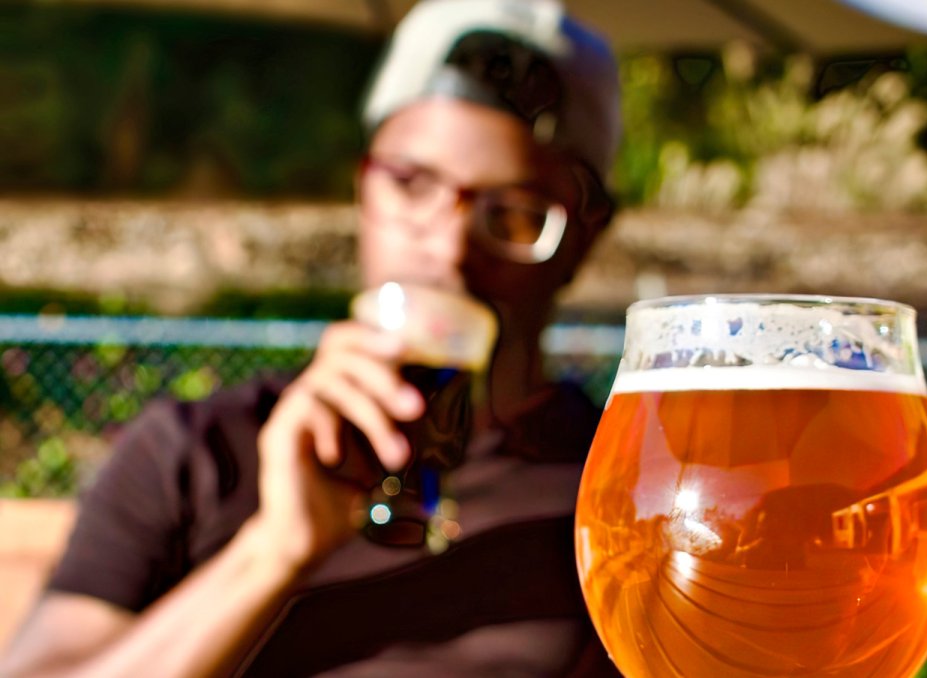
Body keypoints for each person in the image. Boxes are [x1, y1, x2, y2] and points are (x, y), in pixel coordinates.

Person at [0, 0, 621, 675]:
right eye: (412, 185)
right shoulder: (197, 453)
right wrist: (270, 553)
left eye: (518, 214)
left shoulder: (622, 498)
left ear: (585, 239)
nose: (446, 248)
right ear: (364, 190)